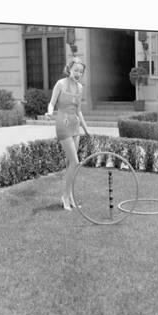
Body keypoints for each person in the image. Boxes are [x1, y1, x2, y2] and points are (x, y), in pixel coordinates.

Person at [46, 58, 90, 211]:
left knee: (71, 164)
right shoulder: (61, 84)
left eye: (81, 72)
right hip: (63, 124)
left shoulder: (80, 88)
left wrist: (85, 129)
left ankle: (70, 196)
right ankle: (65, 196)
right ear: (69, 69)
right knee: (76, 161)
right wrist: (49, 112)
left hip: (75, 125)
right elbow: (52, 103)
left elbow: (78, 111)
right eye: (76, 70)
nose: (78, 74)